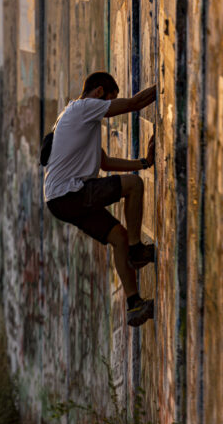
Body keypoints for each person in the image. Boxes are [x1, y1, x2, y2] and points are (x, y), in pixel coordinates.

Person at [44, 70, 157, 327]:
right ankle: (138, 251)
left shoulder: (77, 120)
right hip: (70, 193)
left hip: (59, 200)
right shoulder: (84, 108)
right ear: (99, 93)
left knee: (118, 237)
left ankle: (134, 305)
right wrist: (163, 87)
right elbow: (133, 104)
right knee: (134, 185)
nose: (107, 107)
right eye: (108, 100)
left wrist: (143, 162)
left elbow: (104, 163)